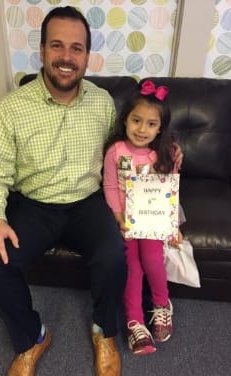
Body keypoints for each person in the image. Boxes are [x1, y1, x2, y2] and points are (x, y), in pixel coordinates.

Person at [0, 6, 183, 376]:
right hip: (34, 205)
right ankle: (31, 338)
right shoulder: (12, 107)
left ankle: (104, 330)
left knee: (114, 253)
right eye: (57, 46)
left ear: (87, 55)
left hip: (88, 204)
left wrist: (167, 156)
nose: (66, 57)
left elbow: (127, 148)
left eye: (76, 48)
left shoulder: (102, 102)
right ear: (42, 51)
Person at [103, 80, 182, 356]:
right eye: (136, 120)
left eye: (151, 124)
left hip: (152, 223)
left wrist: (172, 226)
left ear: (160, 128)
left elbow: (170, 192)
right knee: (131, 267)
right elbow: (111, 187)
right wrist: (118, 216)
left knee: (151, 259)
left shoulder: (164, 154)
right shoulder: (115, 152)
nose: (142, 129)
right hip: (126, 221)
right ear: (126, 120)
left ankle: (162, 305)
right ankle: (134, 321)